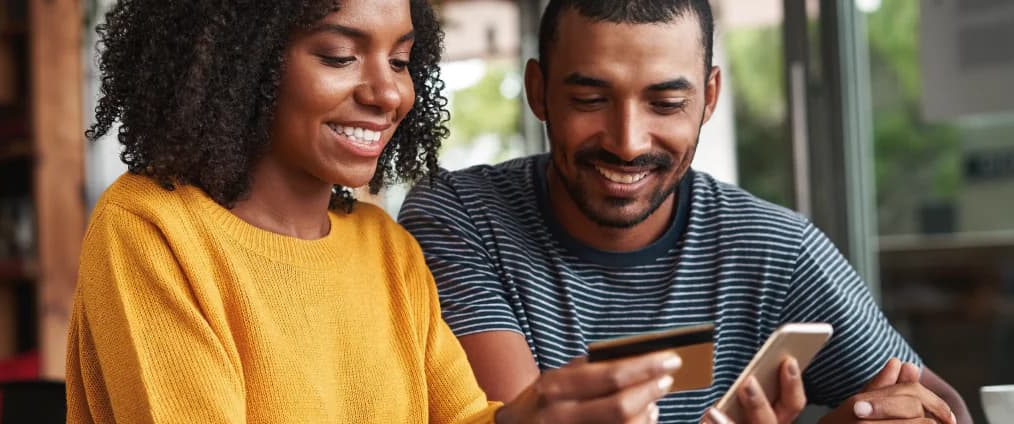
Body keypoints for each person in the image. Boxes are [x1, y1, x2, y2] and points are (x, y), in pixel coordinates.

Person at [63, 0, 758, 422]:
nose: (388, 94)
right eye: (339, 55)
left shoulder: (383, 248)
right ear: (240, 64)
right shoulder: (153, 229)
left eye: (400, 60)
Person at [398, 1, 970, 423]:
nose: (627, 141)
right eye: (590, 99)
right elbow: (525, 418)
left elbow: (946, 408)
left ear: (710, 98)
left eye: (666, 103)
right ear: (539, 91)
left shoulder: (775, 250)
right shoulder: (460, 218)